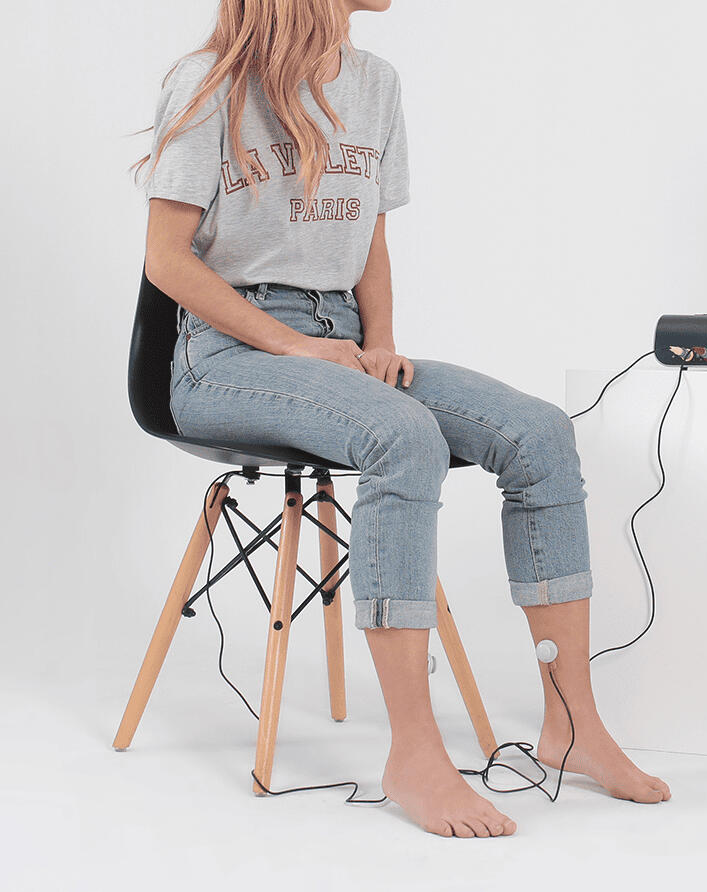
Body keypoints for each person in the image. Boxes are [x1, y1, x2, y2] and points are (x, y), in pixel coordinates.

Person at [138, 0, 669, 838]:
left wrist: (379, 343)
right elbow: (166, 260)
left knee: (538, 433)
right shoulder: (209, 83)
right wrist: (293, 346)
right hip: (227, 354)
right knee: (402, 436)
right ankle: (414, 755)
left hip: (342, 338)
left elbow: (370, 242)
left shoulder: (375, 83)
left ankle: (572, 725)